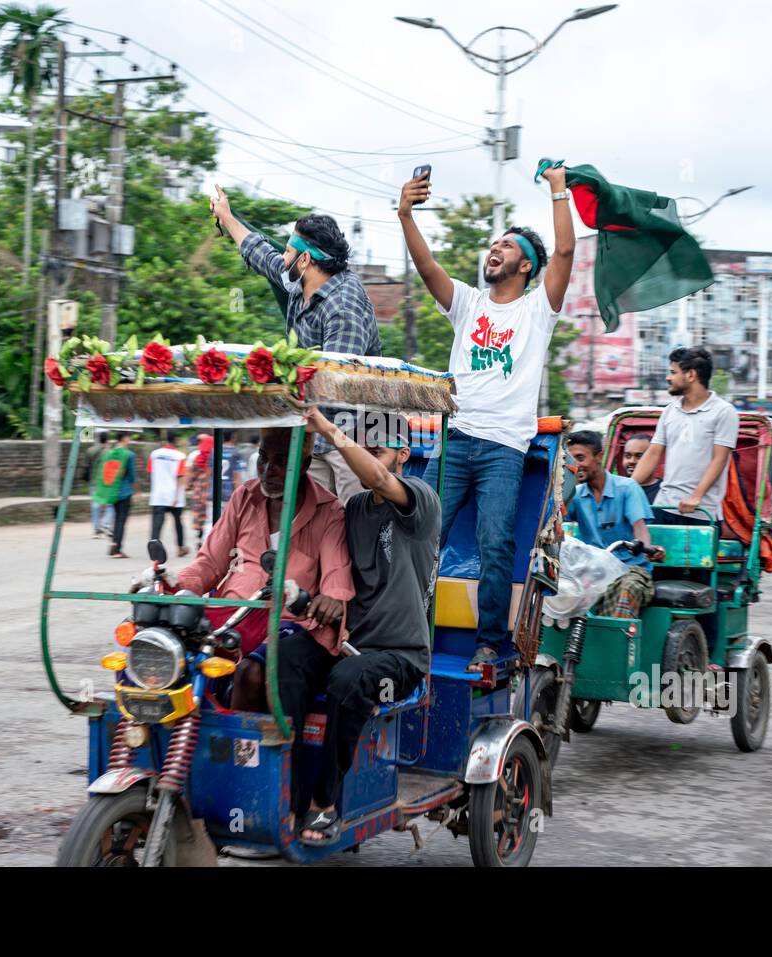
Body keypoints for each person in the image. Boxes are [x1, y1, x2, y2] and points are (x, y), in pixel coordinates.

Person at [400, 164, 575, 672]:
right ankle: (410, 632)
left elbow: (564, 252)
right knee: (419, 534)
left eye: (507, 247)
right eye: (493, 244)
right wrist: (406, 212)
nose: (493, 250)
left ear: (526, 267)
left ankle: (490, 642)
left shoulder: (539, 310)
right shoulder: (468, 303)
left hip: (503, 447)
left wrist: (559, 192)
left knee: (495, 543)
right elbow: (425, 263)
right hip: (454, 441)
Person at [277, 407, 440, 844]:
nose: (366, 458)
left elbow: (379, 480)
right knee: (285, 654)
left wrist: (329, 429)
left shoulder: (420, 499)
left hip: (400, 658)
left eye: (378, 450)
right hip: (349, 644)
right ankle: (288, 789)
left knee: (349, 679)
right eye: (361, 448)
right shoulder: (353, 509)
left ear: (403, 454)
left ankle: (324, 803)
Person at [211, 187, 381, 504]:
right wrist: (226, 216)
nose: (282, 256)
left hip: (353, 434)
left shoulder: (343, 308)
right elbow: (260, 253)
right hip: (313, 429)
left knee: (352, 523)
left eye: (288, 251)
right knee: (306, 519)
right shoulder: (300, 279)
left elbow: (336, 386)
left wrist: (268, 387)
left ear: (305, 260)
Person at [167, 428, 355, 710]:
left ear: (304, 466)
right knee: (166, 651)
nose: (268, 470)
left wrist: (332, 598)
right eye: (263, 459)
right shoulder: (245, 496)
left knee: (252, 673)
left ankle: (241, 751)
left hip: (287, 622)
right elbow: (210, 563)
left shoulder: (329, 511)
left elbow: (336, 576)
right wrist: (171, 585)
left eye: (281, 462)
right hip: (231, 618)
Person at [631, 347, 739, 527]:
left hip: (702, 512)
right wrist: (627, 488)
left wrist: (696, 497)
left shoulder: (723, 412)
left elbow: (719, 460)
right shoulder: (669, 411)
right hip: (663, 507)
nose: (668, 378)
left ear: (690, 375)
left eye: (673, 372)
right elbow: (654, 452)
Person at [565, 430, 658, 619]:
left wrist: (644, 547)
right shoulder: (575, 494)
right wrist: (565, 485)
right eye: (571, 459)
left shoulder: (627, 488)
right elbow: (555, 521)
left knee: (626, 588)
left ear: (599, 457)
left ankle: (618, 646)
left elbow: (640, 530)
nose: (576, 465)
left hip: (631, 570)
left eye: (581, 458)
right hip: (592, 571)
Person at [95, 431, 138, 559]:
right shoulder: (129, 455)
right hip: (125, 492)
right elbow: (132, 475)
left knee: (116, 519)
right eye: (128, 436)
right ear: (124, 438)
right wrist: (136, 488)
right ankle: (117, 547)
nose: (129, 439)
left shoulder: (110, 454)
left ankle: (114, 543)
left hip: (113, 491)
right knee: (121, 520)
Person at [148, 430, 189, 557]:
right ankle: (181, 547)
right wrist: (176, 497)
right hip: (174, 495)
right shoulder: (180, 456)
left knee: (157, 524)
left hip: (158, 494)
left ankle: (154, 552)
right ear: (176, 440)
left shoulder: (154, 454)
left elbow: (150, 472)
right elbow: (180, 477)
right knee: (178, 522)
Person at [83, 430, 114, 539]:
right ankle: (105, 524)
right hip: (105, 482)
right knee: (111, 505)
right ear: (107, 440)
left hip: (93, 482)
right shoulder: (110, 452)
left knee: (95, 506)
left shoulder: (90, 451)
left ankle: (96, 530)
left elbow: (86, 465)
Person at [620, 432, 661, 504]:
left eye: (639, 456)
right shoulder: (616, 488)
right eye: (628, 456)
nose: (631, 461)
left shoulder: (664, 491)